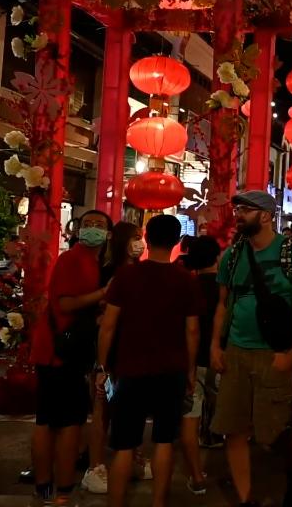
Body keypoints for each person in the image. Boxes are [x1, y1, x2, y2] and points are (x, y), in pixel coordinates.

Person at [209, 190, 292, 507]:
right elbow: (222, 304)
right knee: (233, 429)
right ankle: (245, 498)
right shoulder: (233, 255)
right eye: (237, 210)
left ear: (265, 216)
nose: (238, 215)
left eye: (245, 210)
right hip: (236, 352)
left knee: (274, 432)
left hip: (274, 353)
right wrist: (216, 345)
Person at [97, 215, 200, 507]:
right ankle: (158, 503)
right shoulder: (186, 279)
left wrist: (102, 366)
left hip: (131, 369)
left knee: (124, 445)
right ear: (177, 241)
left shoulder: (126, 277)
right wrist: (191, 370)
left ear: (147, 238)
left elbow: (108, 326)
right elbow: (192, 330)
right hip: (172, 369)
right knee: (164, 441)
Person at [30, 209, 111, 506]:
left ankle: (49, 489)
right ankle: (58, 490)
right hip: (57, 353)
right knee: (63, 423)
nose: (93, 228)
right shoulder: (72, 259)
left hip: (66, 351)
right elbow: (64, 304)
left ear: (108, 234)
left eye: (99, 224)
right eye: (88, 224)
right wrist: (103, 294)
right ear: (77, 230)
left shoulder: (91, 261)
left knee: (56, 419)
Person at [82, 221, 146, 494]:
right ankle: (96, 466)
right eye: (135, 237)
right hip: (109, 351)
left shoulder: (141, 271)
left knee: (132, 407)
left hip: (134, 349)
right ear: (121, 241)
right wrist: (101, 363)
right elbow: (100, 316)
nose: (139, 243)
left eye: (140, 237)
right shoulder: (107, 271)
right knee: (103, 406)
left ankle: (133, 457)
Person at [178, 235, 222, 495]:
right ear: (217, 257)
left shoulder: (187, 287)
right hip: (221, 362)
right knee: (231, 422)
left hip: (191, 363)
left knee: (189, 420)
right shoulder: (226, 289)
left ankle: (196, 477)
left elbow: (188, 330)